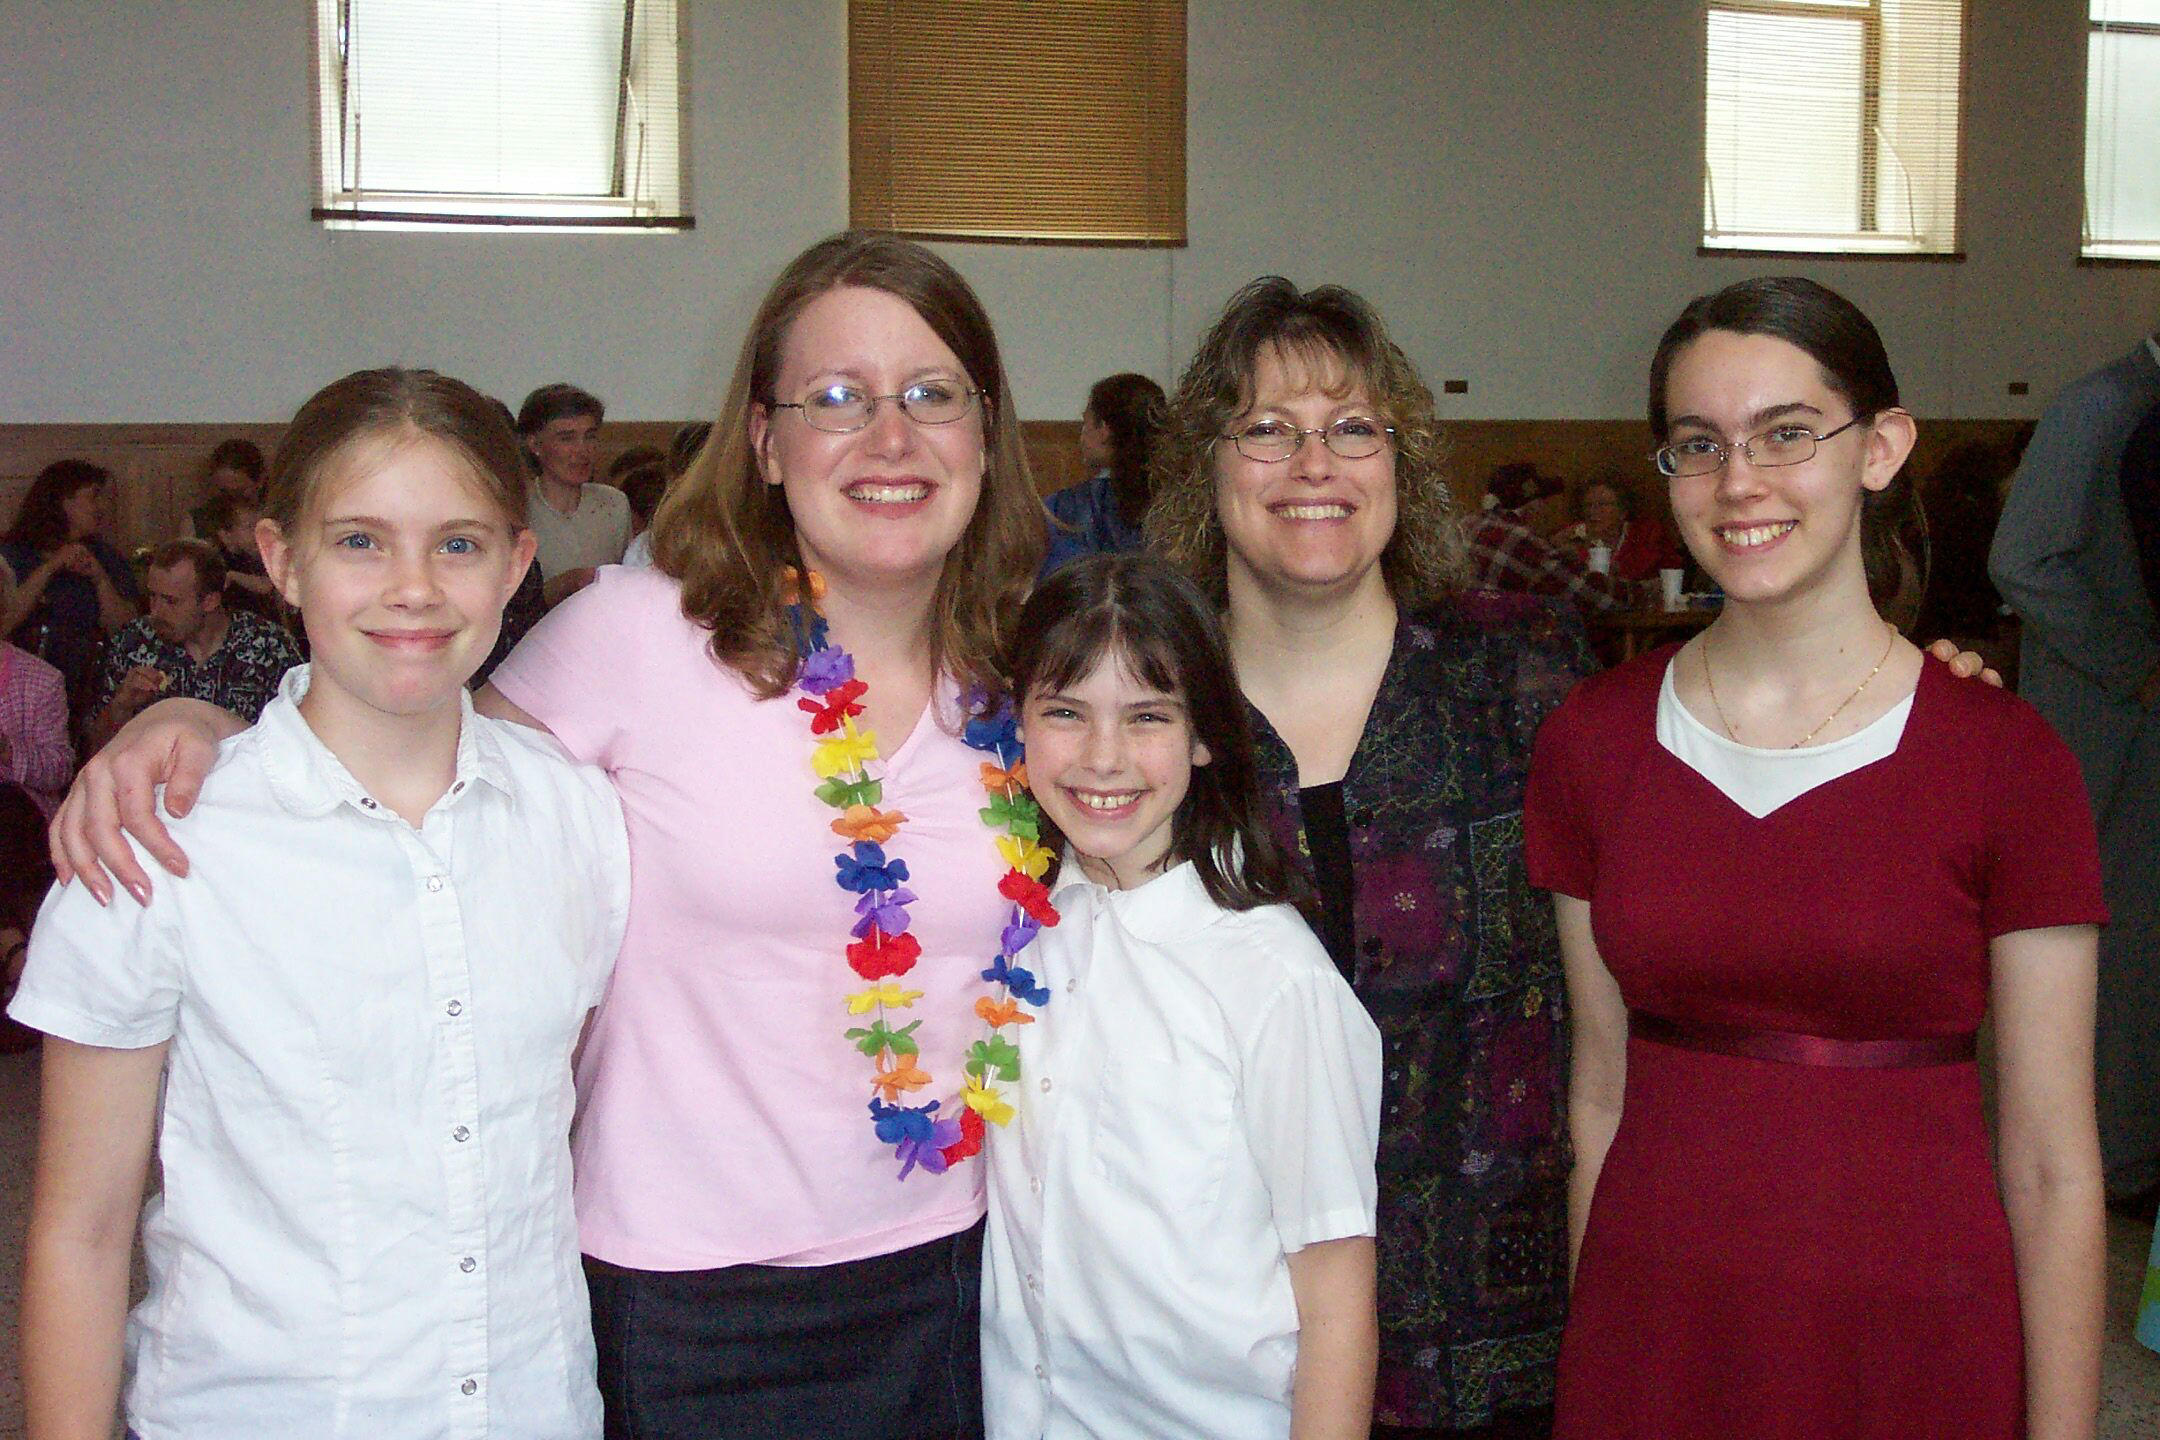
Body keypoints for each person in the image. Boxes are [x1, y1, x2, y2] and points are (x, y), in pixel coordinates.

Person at [52, 233, 1052, 1439]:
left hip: (950, 1267)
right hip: (685, 1290)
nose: (889, 437)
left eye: (931, 394)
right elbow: (412, 730)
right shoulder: (634, 636)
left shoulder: (1033, 683)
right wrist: (197, 716)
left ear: (988, 431)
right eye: (836, 397)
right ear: (763, 439)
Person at [1529, 276, 2106, 1440]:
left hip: (1913, 1343)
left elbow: (2052, 1162)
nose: (1740, 482)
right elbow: (1601, 1098)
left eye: (1787, 433)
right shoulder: (1594, 740)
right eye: (1700, 445)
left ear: (1881, 447)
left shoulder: (2004, 756)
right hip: (1658, 1334)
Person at [11, 367, 630, 1437]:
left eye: (459, 543)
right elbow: (82, 1225)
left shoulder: (575, 820)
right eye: (358, 542)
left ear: (517, 561)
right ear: (279, 560)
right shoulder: (164, 837)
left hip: (534, 1403)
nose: (413, 587)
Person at [1145, 276, 1590, 1438]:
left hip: (1500, 1339)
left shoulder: (1525, 677)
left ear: (1403, 461)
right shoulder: (1142, 723)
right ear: (1207, 465)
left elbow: (1726, 742)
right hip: (1231, 1337)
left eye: (1353, 428)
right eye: (1268, 430)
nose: (1315, 464)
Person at [986, 552, 1381, 1440]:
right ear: (1017, 723)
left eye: (1148, 717)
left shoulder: (1275, 981)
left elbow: (1336, 1303)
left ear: (1206, 735)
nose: (1103, 758)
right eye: (1064, 713)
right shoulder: (1021, 936)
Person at [1989, 329, 2160, 1221]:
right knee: (2122, 942)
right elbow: (2021, 561)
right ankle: (2121, 1159)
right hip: (2108, 722)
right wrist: (2132, 659)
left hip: (2132, 716)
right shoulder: (2100, 405)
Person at [85, 538, 301, 750]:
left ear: (210, 601)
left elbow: (303, 739)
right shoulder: (134, 642)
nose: (156, 612)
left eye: (171, 601)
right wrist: (121, 705)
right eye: (152, 596)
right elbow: (94, 749)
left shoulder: (268, 646)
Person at [2, 459, 141, 711]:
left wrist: (99, 579)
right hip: (23, 688)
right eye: (93, 497)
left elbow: (128, 634)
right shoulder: (12, 555)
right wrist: (50, 568)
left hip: (94, 684)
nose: (103, 507)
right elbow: (5, 622)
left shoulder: (107, 557)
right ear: (62, 502)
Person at [519, 381, 633, 607]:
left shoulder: (613, 504)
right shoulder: (518, 508)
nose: (582, 450)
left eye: (590, 436)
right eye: (567, 438)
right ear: (535, 445)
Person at [1041, 372, 1167, 575]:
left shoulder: (1065, 508)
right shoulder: (1184, 503)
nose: (1081, 437)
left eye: (1086, 423)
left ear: (1104, 430)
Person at [1464, 462, 1624, 612]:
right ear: (1532, 505)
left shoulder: (1466, 525)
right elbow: (1595, 597)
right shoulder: (1521, 541)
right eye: (1544, 500)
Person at [1558, 472, 1683, 584]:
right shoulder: (1572, 537)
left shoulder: (1646, 534)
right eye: (1588, 505)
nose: (1593, 512)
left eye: (1603, 505)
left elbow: (1672, 574)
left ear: (1623, 511)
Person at [182, 436, 267, 540]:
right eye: (224, 492)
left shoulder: (280, 517)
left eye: (239, 492)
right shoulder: (198, 523)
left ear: (260, 480)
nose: (232, 499)